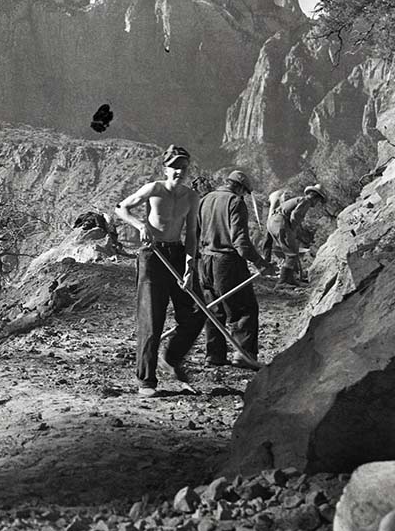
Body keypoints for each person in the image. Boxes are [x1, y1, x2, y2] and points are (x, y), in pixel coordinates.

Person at [114, 145, 201, 397]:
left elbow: (192, 234)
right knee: (152, 319)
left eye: (183, 167)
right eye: (174, 166)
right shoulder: (154, 189)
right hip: (152, 256)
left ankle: (171, 357)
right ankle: (146, 381)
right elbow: (121, 208)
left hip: (176, 254)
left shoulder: (191, 197)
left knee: (194, 313)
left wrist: (189, 266)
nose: (179, 171)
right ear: (166, 168)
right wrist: (140, 224)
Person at [197, 170, 278, 369]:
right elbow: (240, 242)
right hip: (227, 262)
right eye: (244, 192)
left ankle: (214, 355)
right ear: (239, 188)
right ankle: (244, 355)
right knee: (244, 309)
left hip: (205, 260)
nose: (243, 196)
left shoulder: (205, 200)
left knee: (214, 309)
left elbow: (194, 233)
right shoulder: (235, 202)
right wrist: (261, 263)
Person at [267, 184, 328, 286]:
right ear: (315, 197)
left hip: (273, 222)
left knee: (290, 251)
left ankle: (289, 279)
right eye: (318, 200)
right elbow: (295, 216)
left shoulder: (300, 199)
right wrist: (293, 230)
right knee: (291, 252)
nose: (317, 203)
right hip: (280, 222)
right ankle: (283, 281)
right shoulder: (306, 201)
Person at [261, 187, 292, 263]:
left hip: (278, 209)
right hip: (268, 206)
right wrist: (269, 227)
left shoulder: (289, 200)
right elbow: (271, 214)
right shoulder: (276, 199)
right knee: (268, 236)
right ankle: (266, 258)